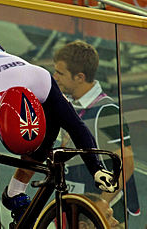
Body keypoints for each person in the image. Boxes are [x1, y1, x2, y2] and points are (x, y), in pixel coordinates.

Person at [0, 21, 118, 229]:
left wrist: (97, 168)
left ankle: (15, 190)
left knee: (58, 114)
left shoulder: (39, 79)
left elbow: (75, 125)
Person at [52, 40, 140, 223]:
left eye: (60, 73)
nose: (55, 77)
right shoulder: (68, 104)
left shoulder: (105, 110)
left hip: (104, 214)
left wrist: (102, 201)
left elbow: (127, 161)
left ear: (80, 77)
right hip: (77, 207)